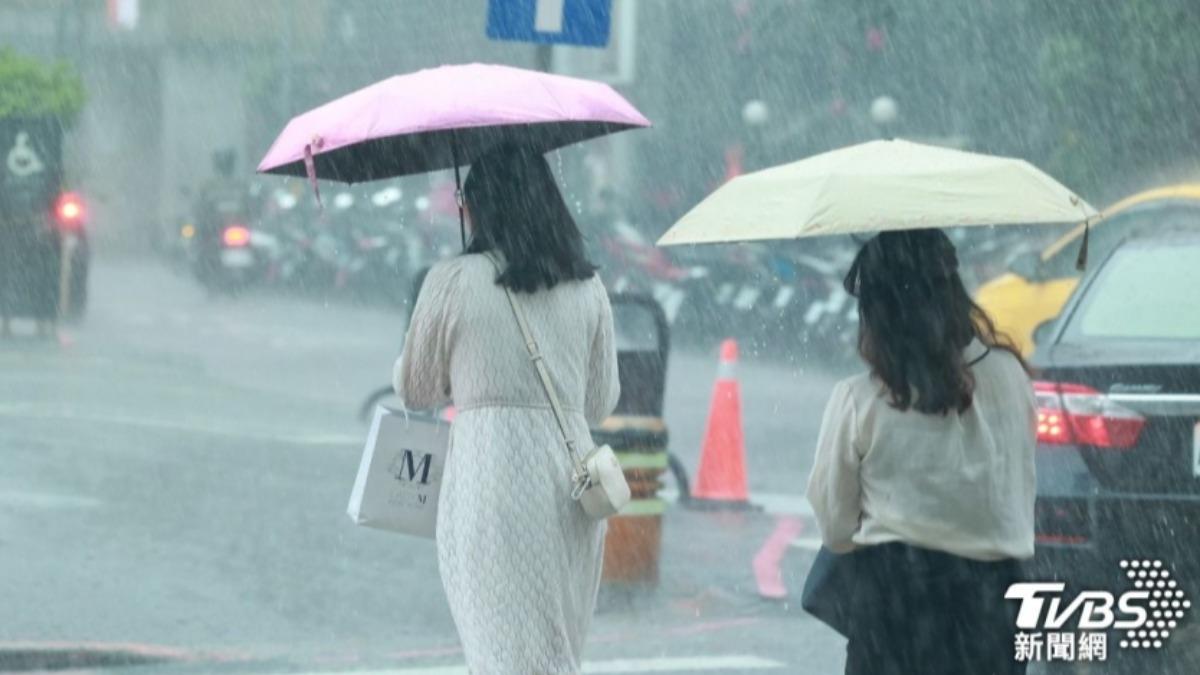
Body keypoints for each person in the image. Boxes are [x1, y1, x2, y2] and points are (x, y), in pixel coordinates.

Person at [393, 146, 620, 673]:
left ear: (477, 207)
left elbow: (417, 388)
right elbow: (599, 401)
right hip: (572, 488)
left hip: (488, 483)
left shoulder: (452, 281)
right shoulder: (588, 286)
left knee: (498, 649)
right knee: (556, 649)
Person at [806, 229, 1036, 675]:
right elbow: (1017, 493)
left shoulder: (861, 399)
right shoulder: (1012, 378)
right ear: (954, 293)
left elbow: (836, 528)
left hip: (895, 608)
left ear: (877, 312)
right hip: (995, 605)